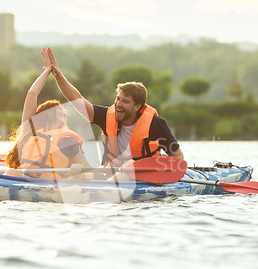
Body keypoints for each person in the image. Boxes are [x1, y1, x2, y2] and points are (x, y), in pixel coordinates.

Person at [44, 47, 184, 179]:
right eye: (118, 99)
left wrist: (155, 175)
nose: (118, 104)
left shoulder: (156, 124)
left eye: (125, 102)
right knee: (83, 173)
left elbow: (178, 157)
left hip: (146, 178)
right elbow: (76, 99)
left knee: (129, 166)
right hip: (113, 179)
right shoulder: (106, 117)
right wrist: (57, 74)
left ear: (137, 107)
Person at [0, 48, 92, 179]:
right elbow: (31, 94)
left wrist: (78, 172)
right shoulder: (29, 131)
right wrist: (48, 71)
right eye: (60, 110)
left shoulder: (69, 141)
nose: (65, 114)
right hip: (22, 179)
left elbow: (90, 174)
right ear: (47, 113)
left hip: (47, 185)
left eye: (65, 112)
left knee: (11, 173)